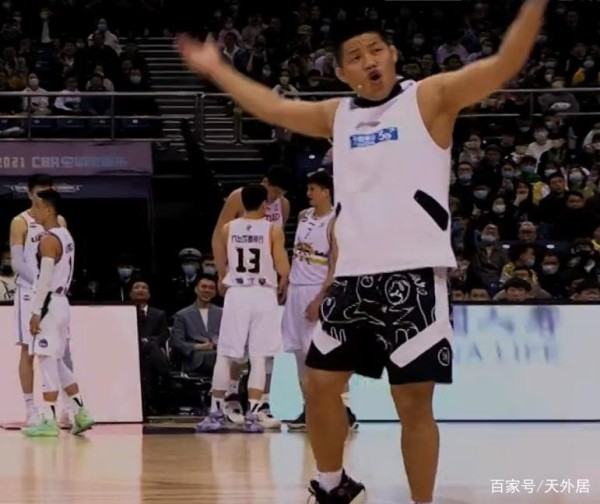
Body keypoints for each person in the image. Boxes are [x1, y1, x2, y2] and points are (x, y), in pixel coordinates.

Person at [179, 1, 548, 501]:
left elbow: (504, 63)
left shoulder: (429, 97)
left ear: (393, 54)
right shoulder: (338, 114)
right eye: (355, 56)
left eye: (376, 50)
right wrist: (217, 69)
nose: (369, 60)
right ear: (340, 71)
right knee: (320, 385)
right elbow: (273, 108)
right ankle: (333, 485)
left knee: (412, 402)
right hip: (352, 278)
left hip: (415, 275)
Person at [197, 184, 290, 433]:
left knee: (226, 354)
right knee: (259, 356)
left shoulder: (228, 228)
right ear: (265, 204)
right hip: (263, 293)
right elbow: (282, 266)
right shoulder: (272, 229)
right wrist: (284, 279)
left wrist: (222, 275)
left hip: (237, 292)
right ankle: (254, 413)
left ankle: (216, 411)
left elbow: (220, 254)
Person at [283, 170, 357, 432]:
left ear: (326, 192)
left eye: (312, 189)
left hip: (317, 290)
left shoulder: (335, 222)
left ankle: (345, 411)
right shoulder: (304, 216)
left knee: (327, 355)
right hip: (295, 290)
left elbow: (334, 266)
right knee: (300, 356)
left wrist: (320, 298)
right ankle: (309, 410)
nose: (308, 193)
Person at [22, 189, 94, 437]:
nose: (33, 211)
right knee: (58, 360)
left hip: (49, 303)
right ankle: (81, 411)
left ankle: (48, 419)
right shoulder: (66, 235)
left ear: (48, 209)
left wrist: (35, 311)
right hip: (62, 302)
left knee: (45, 360)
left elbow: (44, 280)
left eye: (37, 206)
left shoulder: (48, 240)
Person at [9, 174, 71, 427]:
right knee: (29, 351)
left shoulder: (59, 221)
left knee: (61, 349)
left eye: (48, 192)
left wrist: (51, 285)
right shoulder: (20, 222)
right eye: (39, 193)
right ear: (29, 194)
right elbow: (17, 263)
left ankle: (66, 409)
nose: (44, 197)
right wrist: (40, 285)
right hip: (28, 292)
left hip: (51, 294)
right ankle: (30, 409)